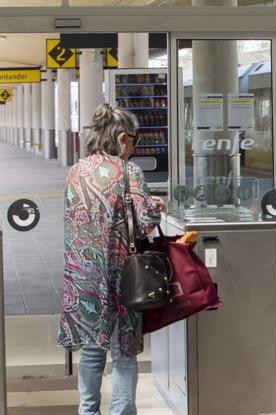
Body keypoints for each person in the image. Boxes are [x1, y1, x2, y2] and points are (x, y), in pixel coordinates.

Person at [57, 103, 165, 415]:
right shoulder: (128, 171)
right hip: (121, 277)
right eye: (134, 140)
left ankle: (88, 411)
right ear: (120, 138)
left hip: (82, 276)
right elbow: (146, 223)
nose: (134, 147)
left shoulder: (75, 171)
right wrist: (152, 205)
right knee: (123, 353)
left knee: (91, 351)